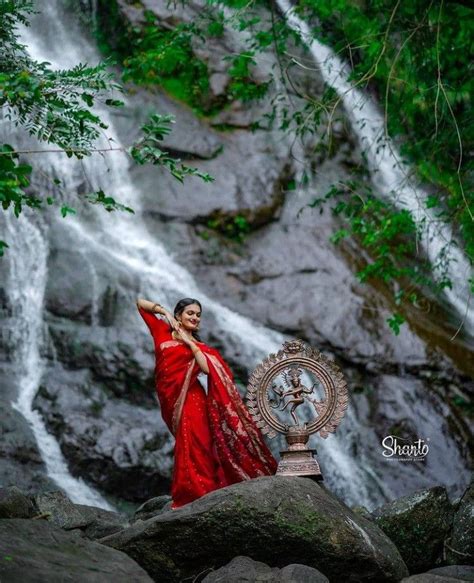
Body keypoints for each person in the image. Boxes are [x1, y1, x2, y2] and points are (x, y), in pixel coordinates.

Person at [136, 296, 278, 509]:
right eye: (190, 313)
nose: (195, 318)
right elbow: (140, 302)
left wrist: (190, 343)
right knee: (186, 442)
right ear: (179, 315)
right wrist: (164, 313)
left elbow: (206, 368)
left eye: (198, 315)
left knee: (196, 444)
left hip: (193, 399)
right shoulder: (161, 330)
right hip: (170, 399)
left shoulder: (199, 346)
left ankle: (198, 493)